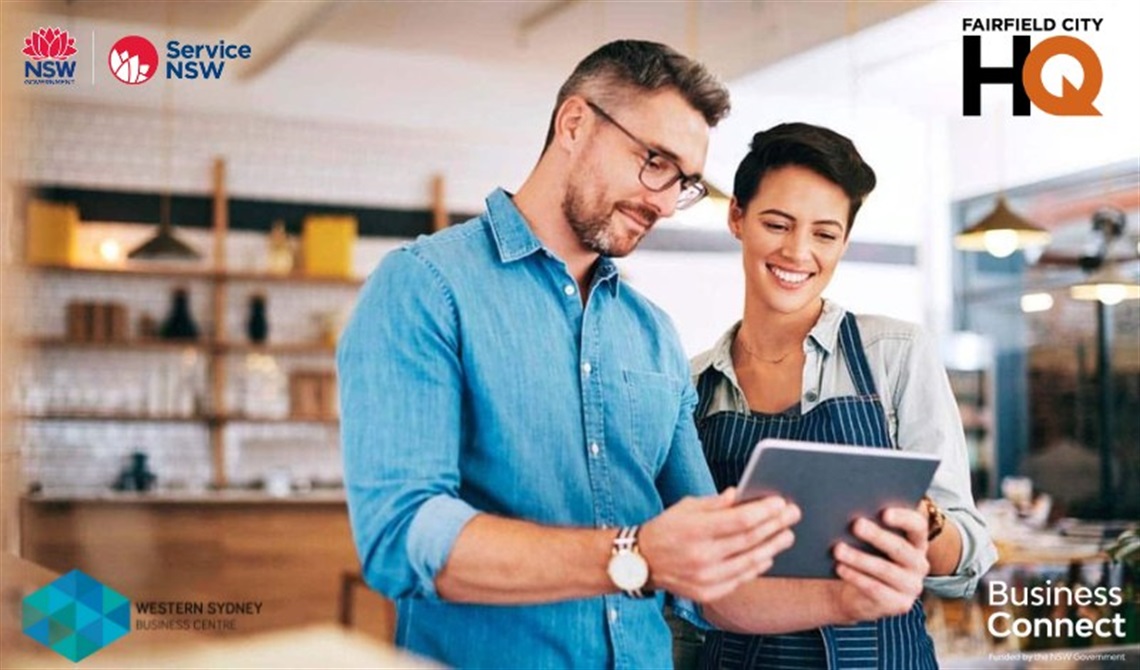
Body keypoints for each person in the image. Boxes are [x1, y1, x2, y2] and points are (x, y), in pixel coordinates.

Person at [336, 40, 804, 669]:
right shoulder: (425, 287)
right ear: (574, 123)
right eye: (655, 161)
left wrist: (858, 593)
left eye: (684, 182)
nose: (665, 201)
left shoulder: (654, 333)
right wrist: (634, 554)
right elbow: (402, 535)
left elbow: (711, 577)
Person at [687, 123, 998, 669]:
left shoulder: (894, 354)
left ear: (845, 242)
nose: (798, 252)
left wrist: (922, 521)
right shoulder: (691, 387)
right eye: (777, 224)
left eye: (825, 234)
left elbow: (967, 555)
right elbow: (684, 586)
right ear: (736, 216)